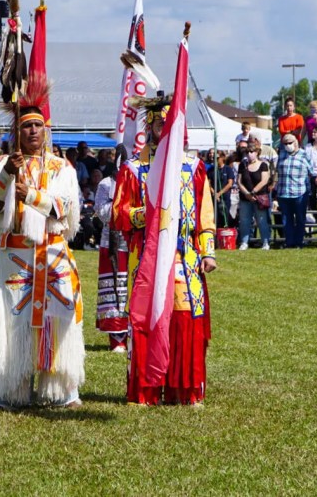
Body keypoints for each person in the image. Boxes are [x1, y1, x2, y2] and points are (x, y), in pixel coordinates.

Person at [0, 95, 84, 411]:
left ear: (46, 130)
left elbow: (65, 208)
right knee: (14, 323)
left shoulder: (61, 167)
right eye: (27, 126)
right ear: (17, 131)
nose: (34, 131)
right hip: (16, 258)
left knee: (58, 320)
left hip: (52, 255)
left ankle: (59, 391)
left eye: (39, 125)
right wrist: (7, 177)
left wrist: (32, 196)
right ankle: (10, 390)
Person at [114, 94, 217, 406]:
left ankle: (184, 390)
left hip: (186, 258)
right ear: (150, 127)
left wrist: (208, 251)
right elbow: (119, 214)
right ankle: (146, 390)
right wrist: (148, 214)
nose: (167, 130)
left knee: (185, 319)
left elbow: (205, 215)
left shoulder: (194, 168)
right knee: (149, 317)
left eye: (173, 124)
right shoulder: (134, 169)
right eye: (161, 124)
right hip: (148, 259)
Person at [94, 146, 128, 351]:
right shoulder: (106, 184)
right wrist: (121, 204)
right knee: (114, 286)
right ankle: (117, 337)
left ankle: (133, 335)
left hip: (133, 243)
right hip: (112, 243)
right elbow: (101, 212)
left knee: (130, 287)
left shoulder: (138, 182)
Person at [275, 134, 315, 249]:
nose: (287, 145)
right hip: (283, 193)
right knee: (286, 220)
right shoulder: (281, 154)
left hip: (299, 193)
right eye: (285, 143)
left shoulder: (304, 154)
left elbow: (311, 171)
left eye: (289, 143)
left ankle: (298, 242)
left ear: (296, 142)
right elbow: (276, 171)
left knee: (300, 219)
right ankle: (289, 242)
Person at [237, 143, 272, 250]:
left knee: (262, 220)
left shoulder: (263, 165)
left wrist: (253, 192)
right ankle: (244, 242)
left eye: (251, 152)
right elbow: (239, 182)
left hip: (260, 197)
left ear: (257, 153)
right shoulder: (242, 165)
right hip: (245, 198)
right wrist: (246, 194)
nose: (249, 154)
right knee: (244, 220)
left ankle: (265, 242)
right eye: (247, 152)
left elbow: (264, 180)